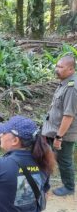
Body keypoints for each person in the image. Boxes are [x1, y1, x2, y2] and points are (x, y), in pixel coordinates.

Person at [42, 55, 77, 196]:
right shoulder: (63, 82)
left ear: (71, 69)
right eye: (57, 66)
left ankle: (69, 187)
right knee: (46, 157)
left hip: (64, 134)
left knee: (64, 160)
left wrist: (59, 137)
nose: (57, 69)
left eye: (61, 67)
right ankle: (44, 184)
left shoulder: (72, 88)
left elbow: (69, 116)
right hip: (52, 130)